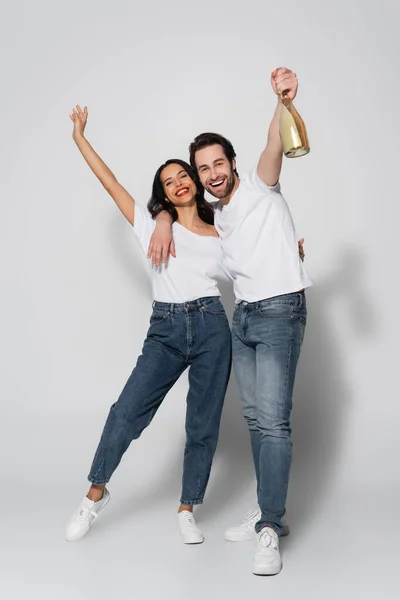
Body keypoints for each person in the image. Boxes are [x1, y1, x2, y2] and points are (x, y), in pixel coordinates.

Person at [148, 67, 312, 575]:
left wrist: (283, 101)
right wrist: (158, 216)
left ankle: (269, 528)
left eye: (220, 162)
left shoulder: (261, 184)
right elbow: (182, 222)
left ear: (233, 162)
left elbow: (274, 144)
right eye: (204, 168)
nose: (213, 172)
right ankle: (269, 513)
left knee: (275, 421)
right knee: (256, 421)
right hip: (242, 317)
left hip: (281, 310)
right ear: (197, 178)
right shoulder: (216, 217)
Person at [64, 105, 232, 545]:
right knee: (126, 413)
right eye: (168, 182)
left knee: (202, 423)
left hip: (214, 327)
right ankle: (94, 495)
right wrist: (80, 136)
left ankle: (187, 507)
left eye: (183, 175)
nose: (178, 183)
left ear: (195, 182)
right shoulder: (151, 224)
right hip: (167, 330)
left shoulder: (224, 232)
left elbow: (255, 268)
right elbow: (110, 183)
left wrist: (295, 254)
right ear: (164, 193)